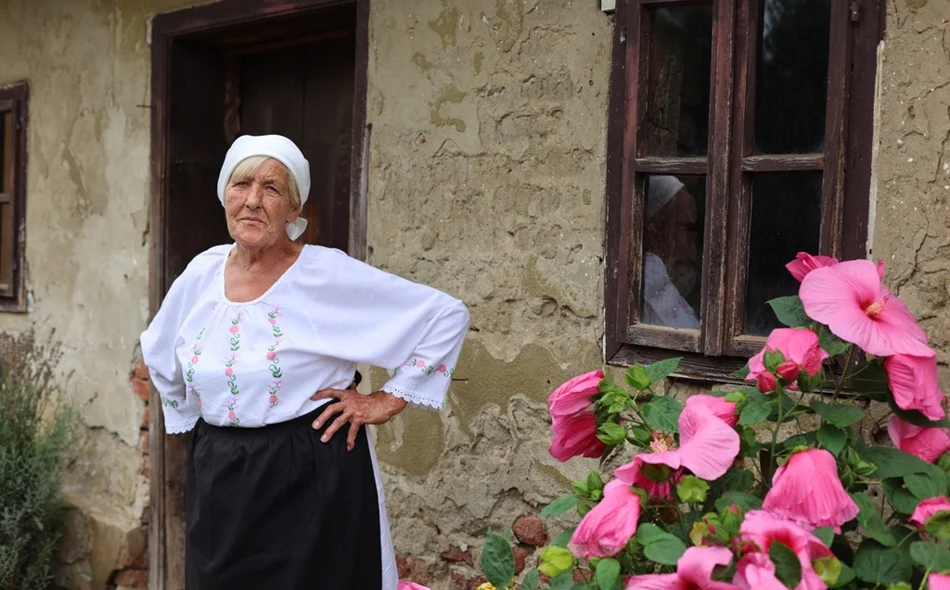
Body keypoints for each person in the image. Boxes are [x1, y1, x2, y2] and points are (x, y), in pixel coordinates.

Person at [140, 134, 470, 590]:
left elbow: (445, 316)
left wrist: (387, 400)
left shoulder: (324, 272)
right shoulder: (202, 273)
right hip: (221, 475)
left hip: (312, 471)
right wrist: (205, 419)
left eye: (272, 189)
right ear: (225, 196)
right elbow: (159, 349)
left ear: (294, 210)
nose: (253, 200)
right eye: (242, 185)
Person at [641, 175, 701, 329]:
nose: (686, 241)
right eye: (680, 227)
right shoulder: (651, 268)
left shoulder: (679, 273)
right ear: (658, 227)